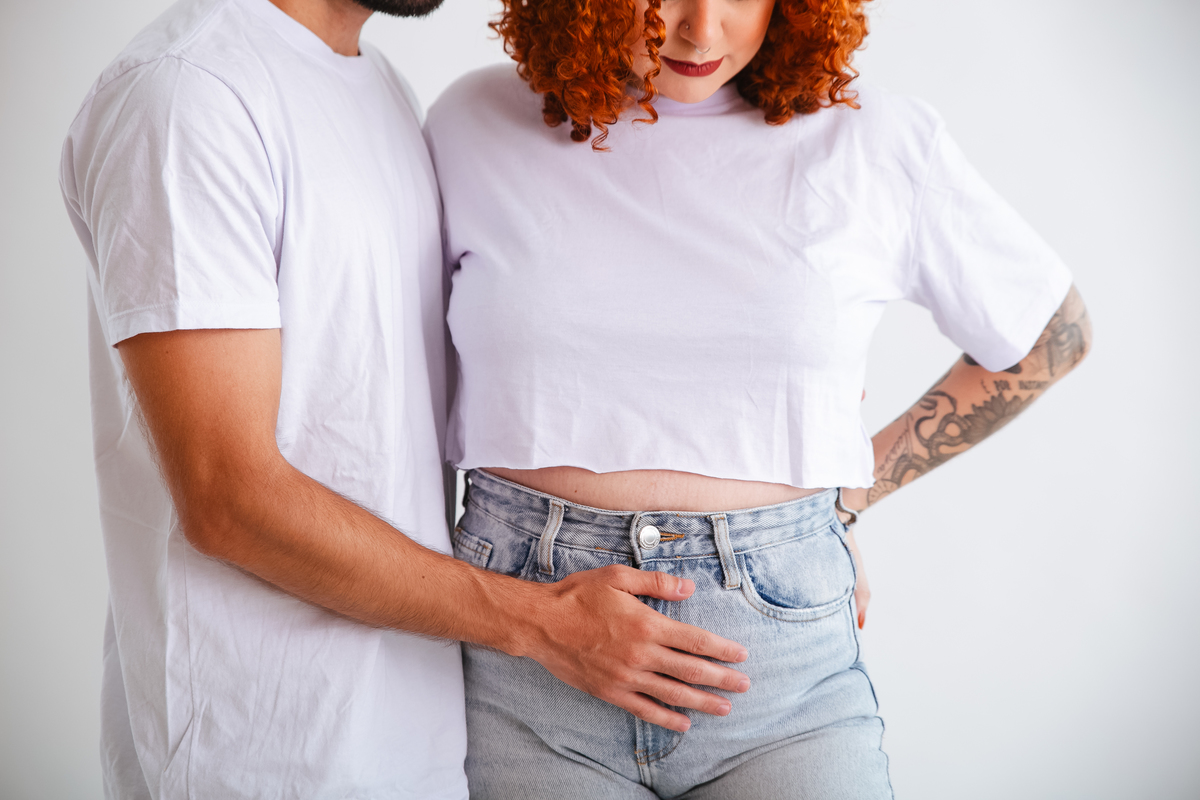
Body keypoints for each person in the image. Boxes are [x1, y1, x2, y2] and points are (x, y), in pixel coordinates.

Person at [59, 0, 753, 796]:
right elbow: (229, 498)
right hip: (255, 754)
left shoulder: (378, 85)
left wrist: (811, 512)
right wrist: (543, 623)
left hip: (410, 740)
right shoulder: (189, 95)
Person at [424, 0, 1093, 796]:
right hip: (531, 652)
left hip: (782, 677)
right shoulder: (475, 123)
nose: (700, 30)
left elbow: (1051, 336)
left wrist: (844, 500)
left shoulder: (872, 139)